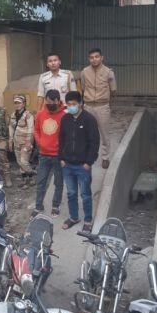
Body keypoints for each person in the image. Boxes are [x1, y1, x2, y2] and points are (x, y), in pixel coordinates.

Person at [59, 91, 100, 232]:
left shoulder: (89, 120)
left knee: (85, 194)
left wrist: (89, 162)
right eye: (69, 104)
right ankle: (74, 217)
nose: (71, 107)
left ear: (80, 103)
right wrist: (62, 159)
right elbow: (61, 140)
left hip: (83, 166)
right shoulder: (65, 119)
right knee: (71, 193)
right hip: (67, 165)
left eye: (74, 104)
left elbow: (94, 143)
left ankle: (88, 219)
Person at [82, 48, 117, 169]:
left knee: (104, 133)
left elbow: (113, 90)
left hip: (102, 106)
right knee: (87, 133)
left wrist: (107, 103)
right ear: (89, 59)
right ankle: (88, 157)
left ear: (102, 58)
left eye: (97, 57)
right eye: (91, 57)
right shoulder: (85, 72)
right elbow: (83, 88)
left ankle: (105, 157)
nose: (94, 59)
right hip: (88, 105)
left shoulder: (108, 72)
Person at [33, 89, 66, 218]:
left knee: (58, 183)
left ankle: (55, 206)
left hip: (58, 155)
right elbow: (36, 130)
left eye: (53, 101)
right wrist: (40, 142)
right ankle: (38, 206)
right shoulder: (41, 114)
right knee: (41, 181)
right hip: (43, 155)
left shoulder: (64, 115)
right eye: (48, 101)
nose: (50, 103)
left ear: (58, 101)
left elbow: (67, 135)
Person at [9, 94, 35, 187]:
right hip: (16, 143)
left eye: (19, 103)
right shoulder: (13, 115)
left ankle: (32, 175)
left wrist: (29, 142)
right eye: (15, 103)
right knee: (19, 162)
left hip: (25, 143)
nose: (17, 105)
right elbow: (11, 127)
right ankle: (25, 180)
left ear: (24, 104)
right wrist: (10, 141)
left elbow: (31, 129)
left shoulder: (28, 115)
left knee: (24, 161)